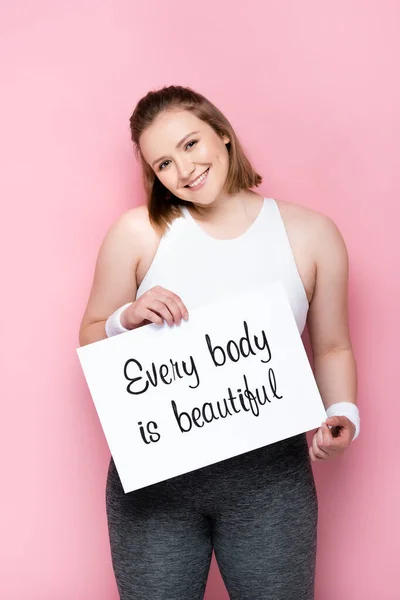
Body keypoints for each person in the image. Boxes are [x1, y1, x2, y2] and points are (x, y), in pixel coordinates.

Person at [78, 85, 360, 600]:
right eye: (163, 163)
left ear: (223, 135)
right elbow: (92, 334)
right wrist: (126, 318)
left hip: (270, 480)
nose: (183, 171)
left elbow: (334, 346)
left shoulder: (312, 234)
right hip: (154, 477)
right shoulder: (138, 233)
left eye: (190, 145)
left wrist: (343, 412)